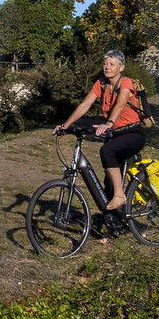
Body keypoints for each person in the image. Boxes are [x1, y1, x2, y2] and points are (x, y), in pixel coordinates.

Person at [56, 50, 145, 212]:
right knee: (107, 185)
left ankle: (120, 195)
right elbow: (85, 105)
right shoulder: (101, 83)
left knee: (107, 151)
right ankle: (114, 226)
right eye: (105, 63)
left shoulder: (126, 83)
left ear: (121, 67)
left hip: (133, 133)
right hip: (115, 135)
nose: (107, 67)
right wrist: (65, 125)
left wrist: (109, 122)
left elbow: (121, 103)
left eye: (112, 64)